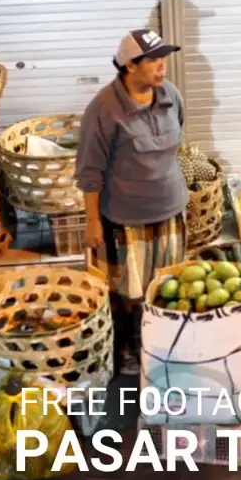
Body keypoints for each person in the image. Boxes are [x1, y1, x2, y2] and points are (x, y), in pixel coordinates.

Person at [75, 29, 189, 375]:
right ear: (130, 66)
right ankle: (127, 349)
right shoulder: (103, 110)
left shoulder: (170, 95)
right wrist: (92, 220)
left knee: (165, 285)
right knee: (127, 292)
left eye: (163, 58)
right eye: (153, 60)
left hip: (169, 211)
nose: (162, 67)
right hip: (125, 220)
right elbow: (90, 171)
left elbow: (177, 136)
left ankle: (163, 344)